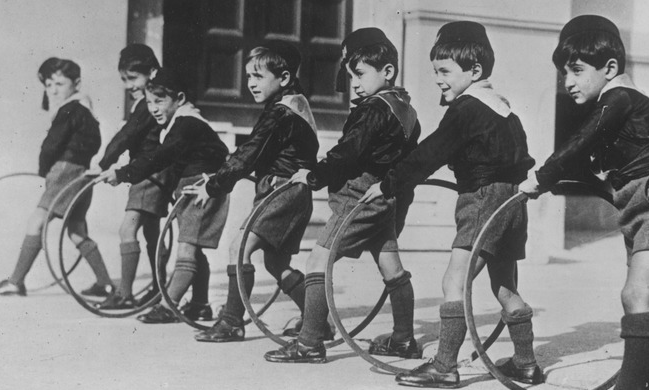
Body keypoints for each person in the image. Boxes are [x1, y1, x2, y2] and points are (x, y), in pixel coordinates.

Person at [520, 15, 649, 390]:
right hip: (647, 196)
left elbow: (579, 146)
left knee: (634, 295)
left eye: (577, 71)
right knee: (642, 295)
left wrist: (541, 178)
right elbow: (593, 164)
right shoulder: (621, 106)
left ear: (610, 69)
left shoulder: (618, 99)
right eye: (564, 73)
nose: (568, 81)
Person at [361, 21, 540, 389]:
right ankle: (525, 363)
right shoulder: (504, 108)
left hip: (482, 200)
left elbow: (432, 152)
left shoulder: (467, 108)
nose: (438, 79)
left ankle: (444, 365)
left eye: (445, 71)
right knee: (503, 286)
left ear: (474, 71)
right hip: (512, 202)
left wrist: (388, 183)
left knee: (453, 280)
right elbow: (521, 160)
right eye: (435, 71)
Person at [263, 28, 421, 363]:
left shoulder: (373, 109)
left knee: (317, 261)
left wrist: (315, 174)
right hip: (382, 197)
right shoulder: (406, 109)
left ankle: (309, 343)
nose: (355, 84)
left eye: (360, 74)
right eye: (350, 76)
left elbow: (348, 153)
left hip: (358, 197)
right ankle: (404, 339)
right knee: (391, 266)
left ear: (387, 71)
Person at [185, 41, 319, 340]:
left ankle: (232, 321)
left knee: (239, 247)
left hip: (282, 192)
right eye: (248, 77)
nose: (250, 84)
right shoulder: (292, 103)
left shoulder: (281, 112)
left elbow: (250, 152)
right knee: (275, 262)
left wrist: (214, 185)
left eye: (258, 77)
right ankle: (318, 320)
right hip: (287, 191)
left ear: (283, 78)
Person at [98, 68, 230, 322]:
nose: (154, 108)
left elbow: (160, 158)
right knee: (192, 247)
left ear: (179, 99)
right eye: (149, 102)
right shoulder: (177, 123)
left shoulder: (187, 123)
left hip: (202, 189)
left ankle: (168, 307)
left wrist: (124, 173)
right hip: (190, 188)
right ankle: (200, 303)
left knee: (186, 250)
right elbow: (174, 163)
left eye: (160, 101)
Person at [0, 58, 113, 297]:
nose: (53, 90)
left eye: (60, 84)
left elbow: (51, 145)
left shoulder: (69, 109)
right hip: (82, 174)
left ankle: (16, 281)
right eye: (49, 84)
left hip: (65, 172)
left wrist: (45, 170)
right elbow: (94, 144)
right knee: (76, 230)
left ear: (76, 83)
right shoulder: (86, 111)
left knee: (36, 222)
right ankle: (105, 283)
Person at [94, 44, 179, 312]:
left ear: (151, 72)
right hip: (154, 172)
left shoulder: (146, 103)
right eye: (124, 79)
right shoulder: (150, 102)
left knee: (127, 229)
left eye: (132, 78)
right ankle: (157, 287)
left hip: (149, 175)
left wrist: (105, 162)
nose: (128, 85)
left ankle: (125, 294)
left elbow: (127, 135)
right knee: (152, 232)